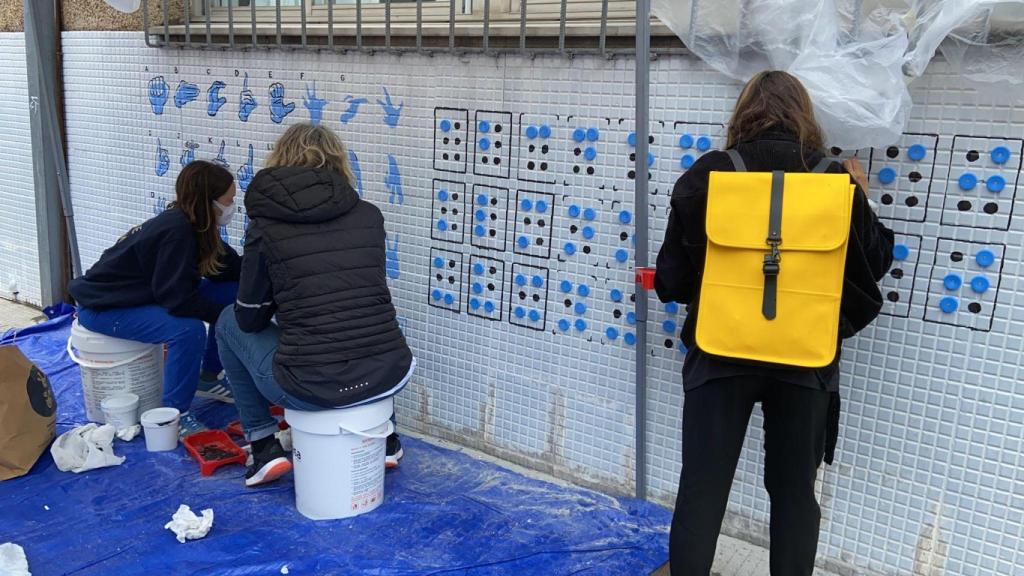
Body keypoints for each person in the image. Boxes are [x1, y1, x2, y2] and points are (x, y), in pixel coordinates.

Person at [654, 71, 894, 575]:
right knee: (793, 497)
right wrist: (861, 197)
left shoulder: (707, 174)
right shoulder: (835, 179)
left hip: (719, 356)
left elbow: (671, 282)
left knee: (702, 489)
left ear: (741, 114)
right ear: (805, 116)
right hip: (806, 361)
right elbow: (873, 268)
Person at [216, 123, 414, 487]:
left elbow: (248, 317)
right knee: (362, 321)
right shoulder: (369, 215)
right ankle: (385, 438)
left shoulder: (266, 226)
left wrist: (286, 304)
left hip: (310, 386)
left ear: (279, 161)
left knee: (227, 320)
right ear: (339, 162)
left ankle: (262, 445)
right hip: (390, 374)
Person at [69, 160, 242, 438]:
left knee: (232, 291)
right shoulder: (178, 231)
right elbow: (178, 300)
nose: (233, 207)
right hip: (105, 308)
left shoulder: (197, 225)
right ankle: (175, 415)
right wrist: (228, 316)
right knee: (187, 330)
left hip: (142, 298)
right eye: (229, 200)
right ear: (208, 201)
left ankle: (208, 377)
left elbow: (232, 269)